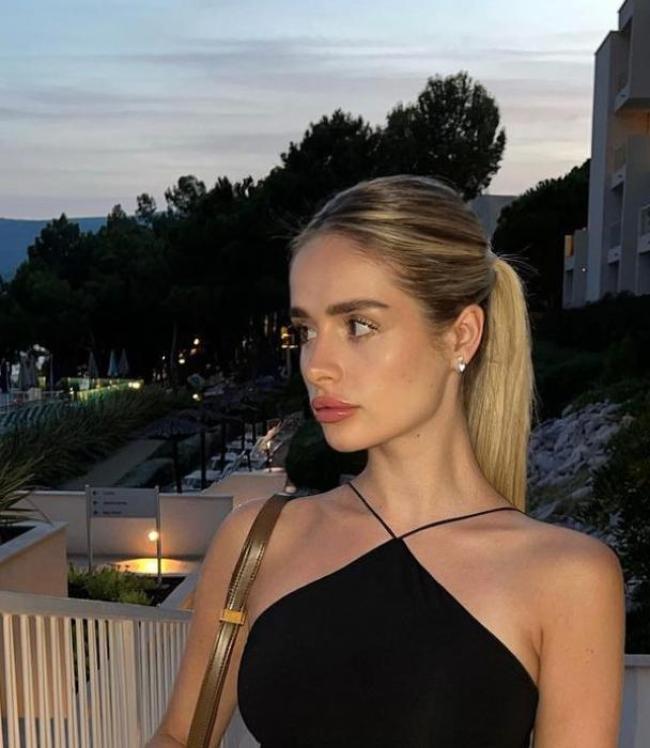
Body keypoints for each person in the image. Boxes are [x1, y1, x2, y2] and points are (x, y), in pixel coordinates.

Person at [148, 175, 625, 747]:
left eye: (359, 325)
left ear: (461, 336)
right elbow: (179, 738)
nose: (315, 365)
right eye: (306, 330)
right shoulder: (257, 540)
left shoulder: (569, 578)